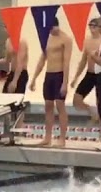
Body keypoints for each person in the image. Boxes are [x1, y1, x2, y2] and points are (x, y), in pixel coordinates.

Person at [71, 17, 101, 149]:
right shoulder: (86, 41)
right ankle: (93, 112)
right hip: (89, 73)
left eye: (94, 25)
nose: (92, 28)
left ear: (99, 27)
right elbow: (83, 61)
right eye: (90, 25)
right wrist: (75, 77)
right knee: (76, 99)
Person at [31, 19, 73, 147]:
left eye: (52, 29)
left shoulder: (66, 39)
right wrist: (33, 79)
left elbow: (67, 62)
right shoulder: (47, 39)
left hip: (60, 75)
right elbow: (42, 60)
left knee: (60, 106)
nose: (51, 32)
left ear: (57, 26)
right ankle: (47, 137)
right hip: (49, 75)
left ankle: (62, 139)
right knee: (48, 105)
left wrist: (65, 83)